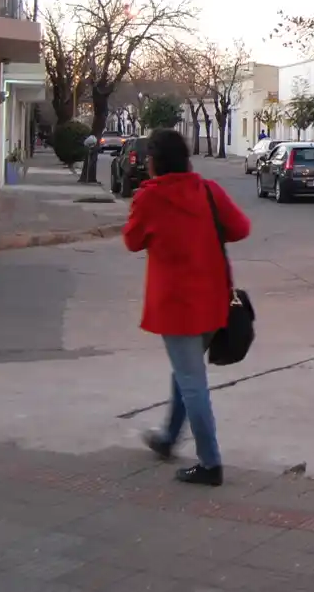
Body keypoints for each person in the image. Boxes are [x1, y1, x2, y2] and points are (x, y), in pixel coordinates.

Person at [122, 128, 251, 486]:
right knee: (185, 372)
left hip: (176, 307)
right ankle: (167, 439)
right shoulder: (208, 190)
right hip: (213, 301)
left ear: (153, 162)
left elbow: (132, 241)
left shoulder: (149, 198)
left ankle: (210, 463)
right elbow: (241, 228)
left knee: (192, 380)